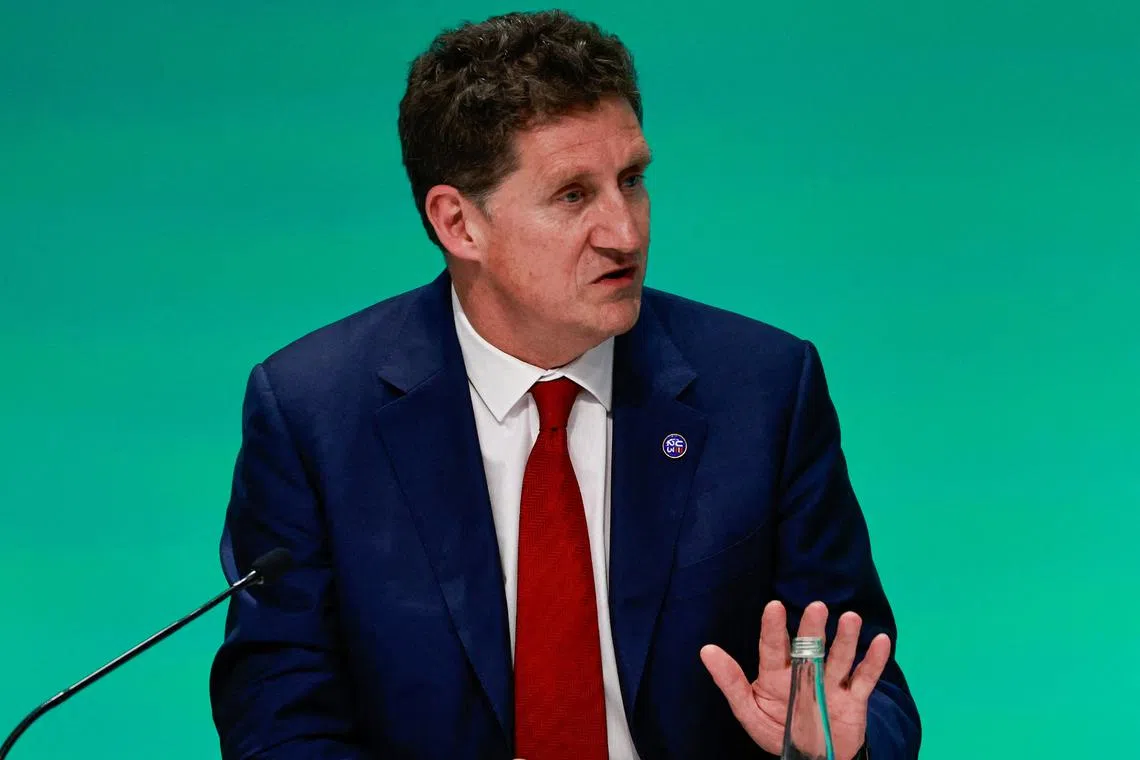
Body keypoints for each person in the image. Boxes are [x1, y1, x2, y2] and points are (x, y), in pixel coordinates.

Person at [209, 9, 921, 760]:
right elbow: (279, 716)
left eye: (633, 180)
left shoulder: (764, 388)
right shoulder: (315, 413)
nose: (626, 231)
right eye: (573, 195)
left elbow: (865, 687)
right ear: (459, 224)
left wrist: (838, 749)